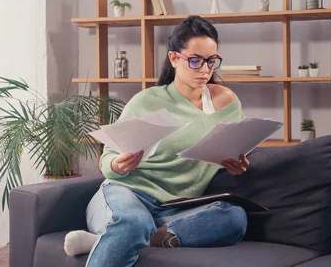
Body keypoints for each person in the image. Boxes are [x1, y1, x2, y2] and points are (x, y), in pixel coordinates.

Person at [63, 15, 251, 267]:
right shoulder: (147, 100)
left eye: (211, 61)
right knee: (133, 222)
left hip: (177, 208)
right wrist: (119, 164)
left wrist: (238, 162)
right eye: (195, 61)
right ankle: (127, 232)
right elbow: (107, 160)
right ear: (174, 58)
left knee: (234, 217)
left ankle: (112, 238)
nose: (205, 69)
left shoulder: (227, 102)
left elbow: (235, 144)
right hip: (126, 193)